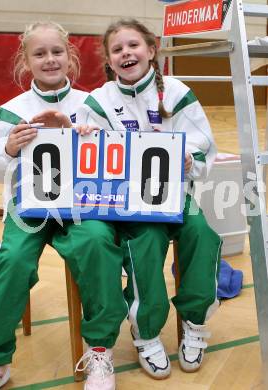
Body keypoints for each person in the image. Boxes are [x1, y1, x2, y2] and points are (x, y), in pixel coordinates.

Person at [74, 18, 222, 383]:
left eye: (133, 45)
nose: (127, 53)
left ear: (152, 50)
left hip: (176, 195)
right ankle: (147, 333)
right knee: (146, 241)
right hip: (129, 204)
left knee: (202, 232)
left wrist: (189, 160)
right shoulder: (98, 101)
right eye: (117, 49)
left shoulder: (177, 92)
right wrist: (86, 136)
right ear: (109, 61)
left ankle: (194, 321)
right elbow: (86, 162)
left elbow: (205, 149)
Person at [0, 21, 88, 389]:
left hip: (81, 206)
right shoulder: (9, 111)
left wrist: (80, 137)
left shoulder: (92, 104)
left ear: (70, 56)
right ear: (25, 60)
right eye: (40, 53)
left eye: (57, 51)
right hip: (28, 208)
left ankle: (101, 349)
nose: (50, 59)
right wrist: (9, 149)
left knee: (98, 249)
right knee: (12, 261)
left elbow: (107, 162)